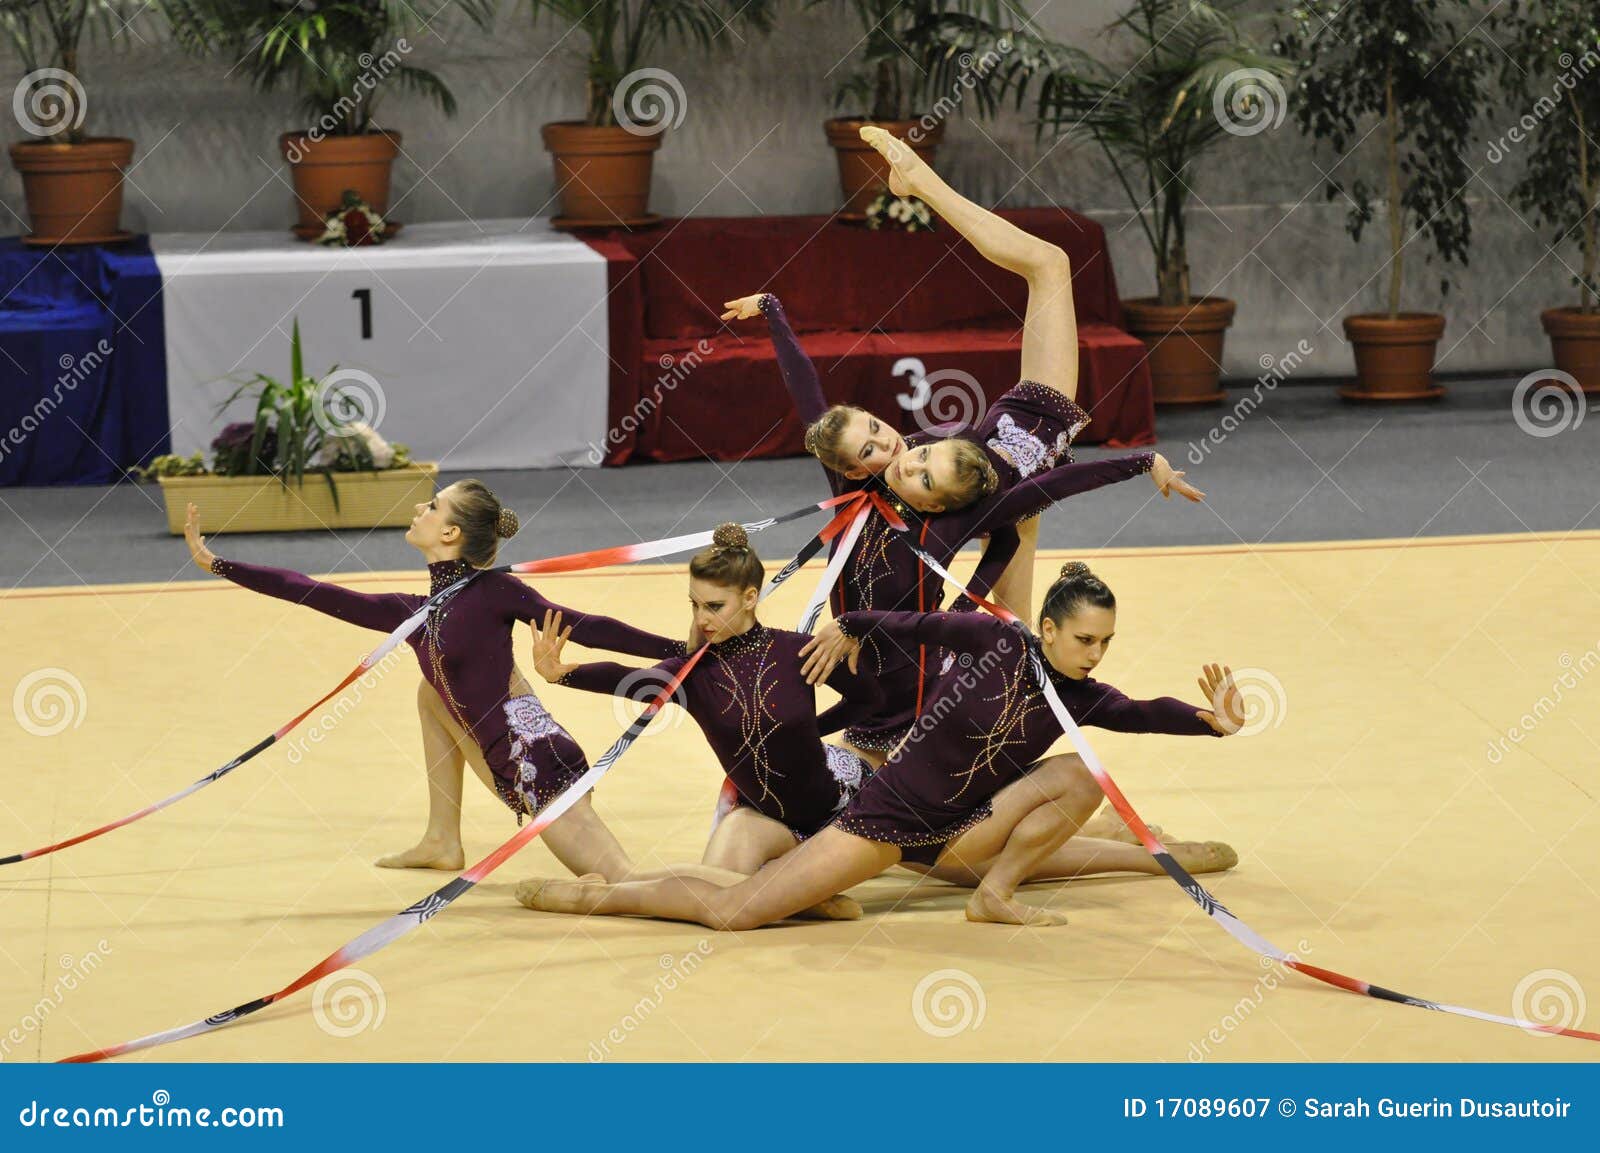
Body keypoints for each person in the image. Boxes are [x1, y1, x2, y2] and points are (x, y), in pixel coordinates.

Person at [514, 562, 1243, 930]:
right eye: (1085, 639)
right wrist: (851, 624)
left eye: (1105, 642)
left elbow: (1146, 712)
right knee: (737, 910)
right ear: (1047, 630)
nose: (1096, 654)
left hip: (961, 830)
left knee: (1085, 774)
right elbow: (914, 624)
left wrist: (1212, 722)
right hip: (885, 815)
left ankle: (996, 892)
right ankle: (601, 896)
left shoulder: (1081, 697)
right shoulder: (997, 640)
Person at [181, 482, 681, 878]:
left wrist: (681, 652)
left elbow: (588, 627)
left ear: (450, 534)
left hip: (543, 769)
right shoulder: (416, 614)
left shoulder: (496, 591)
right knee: (430, 692)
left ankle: (739, 894)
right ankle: (442, 839)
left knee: (626, 885)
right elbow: (311, 591)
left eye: (435, 505)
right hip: (510, 769)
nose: (421, 506)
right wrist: (217, 563)